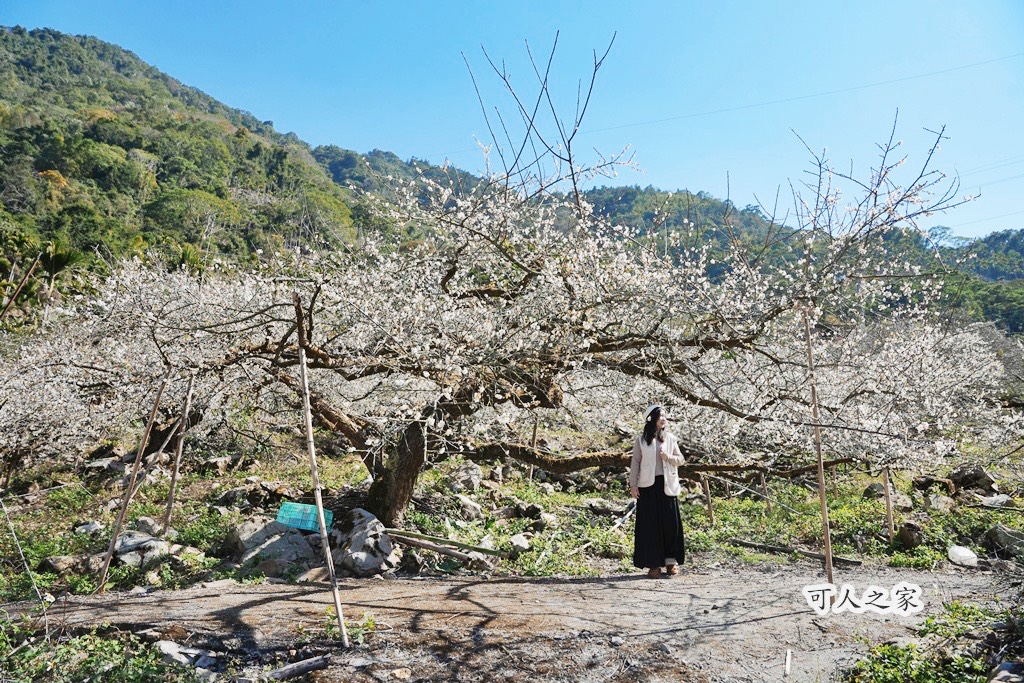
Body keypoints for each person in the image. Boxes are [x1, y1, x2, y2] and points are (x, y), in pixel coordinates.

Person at [629, 404, 687, 578]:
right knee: (650, 526)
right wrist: (633, 484)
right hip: (647, 486)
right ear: (652, 419)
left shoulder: (670, 438)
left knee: (670, 524)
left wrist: (667, 457)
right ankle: (653, 564)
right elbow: (635, 463)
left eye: (664, 416)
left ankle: (671, 562)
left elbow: (681, 460)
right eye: (660, 416)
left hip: (667, 485)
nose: (664, 419)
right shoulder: (641, 440)